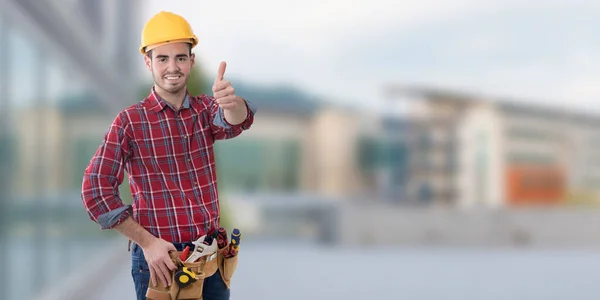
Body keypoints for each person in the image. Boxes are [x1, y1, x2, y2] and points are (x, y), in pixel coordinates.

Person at [81, 11, 256, 300]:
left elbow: (236, 120)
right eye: (162, 58)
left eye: (180, 57)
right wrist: (148, 243)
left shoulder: (205, 110)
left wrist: (232, 103)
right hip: (161, 263)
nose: (172, 66)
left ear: (192, 61)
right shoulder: (129, 122)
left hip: (211, 259)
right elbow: (95, 190)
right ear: (148, 62)